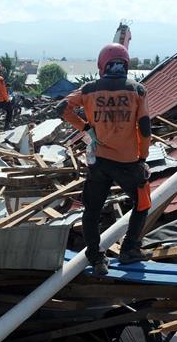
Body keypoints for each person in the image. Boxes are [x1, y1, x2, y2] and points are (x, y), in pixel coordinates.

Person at [57, 43, 152, 274]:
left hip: (99, 162)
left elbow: (62, 107)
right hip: (129, 162)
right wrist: (143, 157)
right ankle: (130, 249)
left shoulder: (89, 90)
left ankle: (96, 258)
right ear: (126, 64)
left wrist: (85, 128)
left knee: (92, 210)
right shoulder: (137, 90)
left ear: (102, 64)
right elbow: (145, 128)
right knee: (142, 204)